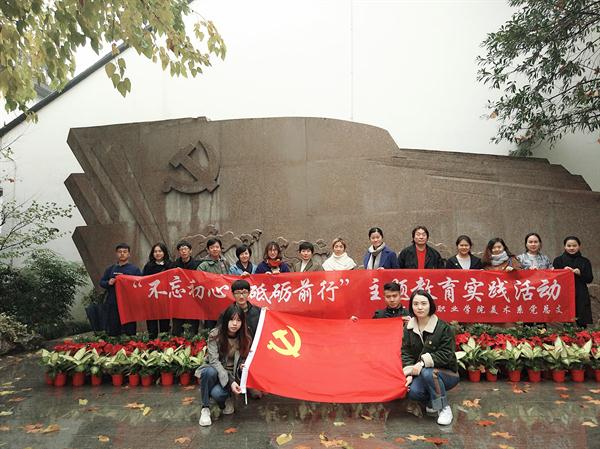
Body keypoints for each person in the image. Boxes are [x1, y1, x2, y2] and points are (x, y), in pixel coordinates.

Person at [402, 290, 459, 426]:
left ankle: (443, 408)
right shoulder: (408, 328)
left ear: (430, 305)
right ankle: (432, 402)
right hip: (421, 373)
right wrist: (409, 373)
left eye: (423, 303)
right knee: (413, 392)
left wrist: (423, 362)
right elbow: (406, 352)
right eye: (416, 304)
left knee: (429, 372)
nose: (419, 307)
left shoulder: (443, 327)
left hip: (447, 373)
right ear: (411, 306)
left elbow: (447, 354)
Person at [196, 304, 251, 426]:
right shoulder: (215, 335)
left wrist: (242, 366)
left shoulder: (245, 338)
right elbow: (214, 361)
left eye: (238, 320)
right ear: (226, 320)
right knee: (208, 372)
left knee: (218, 394)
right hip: (216, 370)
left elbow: (244, 358)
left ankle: (224, 399)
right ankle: (205, 408)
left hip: (232, 375)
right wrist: (230, 382)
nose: (234, 324)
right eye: (231, 319)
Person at [99, 243, 142, 336]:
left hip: (129, 304)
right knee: (113, 329)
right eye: (120, 252)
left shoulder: (134, 269)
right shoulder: (110, 269)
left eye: (125, 252)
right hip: (113, 303)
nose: (122, 254)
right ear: (116, 254)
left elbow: (140, 284)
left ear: (129, 254)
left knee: (130, 330)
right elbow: (101, 282)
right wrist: (108, 282)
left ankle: (131, 343)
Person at [552, 236, 593, 327]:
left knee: (582, 320)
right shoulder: (558, 260)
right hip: (564, 293)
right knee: (566, 321)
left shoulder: (585, 261)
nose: (571, 248)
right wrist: (563, 272)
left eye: (574, 245)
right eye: (569, 246)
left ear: (579, 246)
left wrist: (580, 273)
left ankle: (583, 335)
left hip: (580, 292)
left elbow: (589, 279)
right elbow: (554, 279)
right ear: (564, 246)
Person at [142, 242, 172, 338]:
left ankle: (164, 343)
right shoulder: (148, 266)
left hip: (165, 299)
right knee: (152, 325)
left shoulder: (170, 265)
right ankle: (152, 343)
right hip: (151, 299)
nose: (157, 253)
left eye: (160, 251)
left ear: (164, 253)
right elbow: (143, 281)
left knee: (164, 324)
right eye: (155, 251)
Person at [172, 240, 201, 336]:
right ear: (179, 252)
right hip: (178, 301)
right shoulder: (173, 266)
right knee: (177, 328)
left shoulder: (197, 265)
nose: (183, 251)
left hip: (193, 301)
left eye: (185, 249)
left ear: (190, 251)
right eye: (181, 249)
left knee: (192, 328)